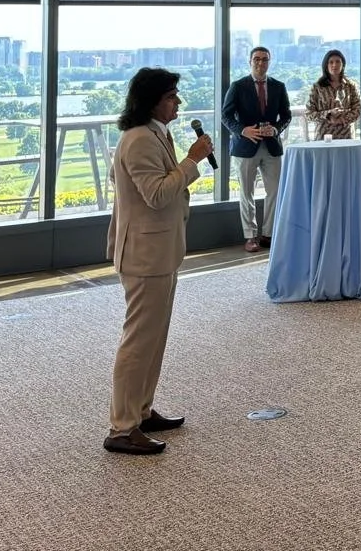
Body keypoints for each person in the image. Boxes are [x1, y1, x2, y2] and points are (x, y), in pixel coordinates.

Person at [103, 68, 213, 455]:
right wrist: (192, 160)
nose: (178, 102)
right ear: (151, 100)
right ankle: (121, 428)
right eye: (171, 96)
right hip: (144, 254)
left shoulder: (155, 133)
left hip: (161, 250)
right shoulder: (137, 141)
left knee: (155, 337)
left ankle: (141, 411)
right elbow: (157, 195)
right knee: (139, 340)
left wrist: (185, 163)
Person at [221, 45, 292, 254]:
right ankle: (250, 236)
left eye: (264, 59)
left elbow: (286, 116)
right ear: (250, 61)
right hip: (245, 147)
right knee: (247, 193)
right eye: (257, 59)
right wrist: (243, 131)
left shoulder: (279, 86)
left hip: (271, 147)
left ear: (269, 62)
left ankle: (268, 234)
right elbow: (225, 116)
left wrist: (276, 129)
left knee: (275, 192)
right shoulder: (238, 86)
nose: (260, 63)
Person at [305, 47, 361, 141]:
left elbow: (357, 110)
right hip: (323, 137)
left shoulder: (351, 86)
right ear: (326, 66)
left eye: (338, 61)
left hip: (346, 137)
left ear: (343, 64)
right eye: (331, 62)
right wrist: (328, 114)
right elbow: (309, 114)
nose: (334, 65)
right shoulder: (317, 87)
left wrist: (342, 119)